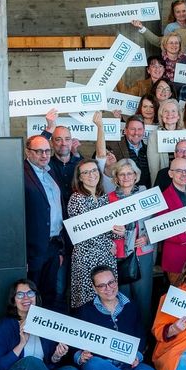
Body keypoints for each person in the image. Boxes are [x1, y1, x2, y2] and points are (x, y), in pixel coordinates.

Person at [68, 121, 122, 310]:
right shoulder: (76, 199)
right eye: (86, 172)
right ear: (80, 177)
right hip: (87, 258)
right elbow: (84, 234)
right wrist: (109, 244)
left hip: (106, 259)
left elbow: (110, 230)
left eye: (93, 170)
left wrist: (118, 233)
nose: (91, 175)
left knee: (108, 301)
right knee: (88, 302)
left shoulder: (104, 198)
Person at [73, 266, 157, 370]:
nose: (108, 288)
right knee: (93, 365)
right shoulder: (84, 311)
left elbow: (141, 336)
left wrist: (137, 356)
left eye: (111, 282)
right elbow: (72, 340)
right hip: (101, 365)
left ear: (116, 281)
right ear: (94, 289)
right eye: (102, 285)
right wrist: (80, 356)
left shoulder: (131, 307)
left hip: (127, 365)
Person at [0, 279, 79, 370]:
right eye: (20, 294)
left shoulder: (45, 322)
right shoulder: (5, 325)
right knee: (30, 361)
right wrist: (21, 344)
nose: (26, 298)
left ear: (36, 297)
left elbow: (48, 365)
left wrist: (56, 356)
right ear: (14, 301)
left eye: (30, 293)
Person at [106, 158, 155, 322]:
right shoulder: (109, 199)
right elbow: (103, 229)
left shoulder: (146, 196)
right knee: (122, 299)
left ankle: (144, 335)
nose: (126, 177)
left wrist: (147, 237)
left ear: (136, 175)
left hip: (142, 253)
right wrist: (113, 236)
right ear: (116, 177)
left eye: (129, 173)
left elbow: (156, 223)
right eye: (122, 174)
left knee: (143, 298)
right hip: (118, 255)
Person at [23, 135, 66, 310]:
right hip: (33, 250)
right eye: (39, 151)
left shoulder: (50, 171)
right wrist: (22, 255)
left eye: (47, 151)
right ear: (28, 152)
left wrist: (60, 249)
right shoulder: (20, 173)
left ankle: (45, 328)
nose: (44, 155)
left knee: (49, 294)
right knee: (30, 296)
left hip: (53, 246)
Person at [157, 157, 186, 285]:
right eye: (179, 171)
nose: (184, 174)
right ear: (171, 173)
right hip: (175, 255)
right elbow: (160, 229)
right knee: (178, 292)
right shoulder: (163, 198)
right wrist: (182, 237)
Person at [148, 99, 183, 185]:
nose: (169, 114)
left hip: (184, 178)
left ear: (178, 115)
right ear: (161, 116)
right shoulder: (154, 136)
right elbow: (153, 167)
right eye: (166, 111)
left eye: (173, 111)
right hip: (164, 179)